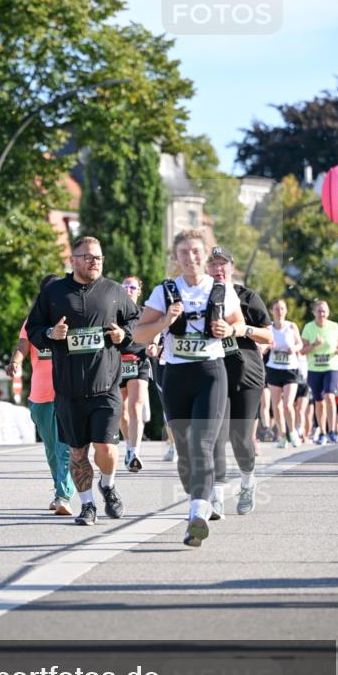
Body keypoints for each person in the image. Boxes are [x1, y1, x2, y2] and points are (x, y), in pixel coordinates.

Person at [134, 231, 245, 547]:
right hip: (177, 376)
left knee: (202, 442)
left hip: (210, 373)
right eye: (184, 252)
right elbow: (140, 335)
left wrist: (229, 329)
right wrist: (165, 321)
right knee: (184, 450)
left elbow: (238, 324)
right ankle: (198, 496)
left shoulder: (220, 290)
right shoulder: (164, 291)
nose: (191, 258)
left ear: (205, 256)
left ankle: (197, 513)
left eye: (196, 252)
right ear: (176, 257)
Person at [27, 235, 138, 526]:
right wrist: (51, 334)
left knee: (106, 449)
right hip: (68, 390)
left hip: (106, 388)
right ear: (73, 259)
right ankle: (87, 505)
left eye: (98, 257)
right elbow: (34, 329)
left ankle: (108, 485)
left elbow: (135, 321)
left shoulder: (114, 291)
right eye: (88, 257)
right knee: (77, 452)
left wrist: (122, 336)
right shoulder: (54, 293)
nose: (94, 262)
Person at [206, 247, 273, 518]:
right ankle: (217, 497)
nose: (218, 269)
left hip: (246, 375)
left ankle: (247, 481)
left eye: (223, 264)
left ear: (232, 268)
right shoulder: (199, 299)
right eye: (213, 264)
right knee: (216, 438)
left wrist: (239, 330)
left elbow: (268, 337)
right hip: (212, 374)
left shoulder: (247, 297)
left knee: (240, 439)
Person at [6, 275, 75, 515]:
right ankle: (60, 490)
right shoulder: (32, 322)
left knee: (64, 446)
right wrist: (15, 362)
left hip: (67, 392)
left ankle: (64, 495)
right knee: (51, 448)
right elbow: (23, 346)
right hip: (40, 394)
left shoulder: (72, 319)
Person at [118, 276, 157, 472]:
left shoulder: (144, 313)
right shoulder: (113, 313)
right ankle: (128, 445)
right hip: (116, 363)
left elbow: (156, 330)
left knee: (135, 407)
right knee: (121, 413)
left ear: (139, 291)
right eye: (125, 286)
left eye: (132, 287)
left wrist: (153, 344)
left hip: (139, 362)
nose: (128, 289)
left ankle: (134, 452)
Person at [301, 300, 338, 444]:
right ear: (314, 312)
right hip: (314, 369)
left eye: (324, 311)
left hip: (331, 367)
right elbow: (302, 351)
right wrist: (314, 345)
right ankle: (322, 432)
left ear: (328, 312)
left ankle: (333, 431)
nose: (322, 314)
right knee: (319, 402)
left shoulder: (334, 326)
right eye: (319, 311)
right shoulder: (309, 328)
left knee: (329, 396)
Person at [265, 299, 303, 449]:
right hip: (274, 369)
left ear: (285, 311)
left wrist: (294, 348)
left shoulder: (291, 326)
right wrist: (267, 346)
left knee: (288, 405)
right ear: (271, 311)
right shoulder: (269, 328)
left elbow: (300, 344)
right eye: (276, 309)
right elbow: (263, 346)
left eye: (282, 309)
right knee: (277, 406)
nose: (279, 312)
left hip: (290, 369)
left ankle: (292, 431)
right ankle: (282, 435)